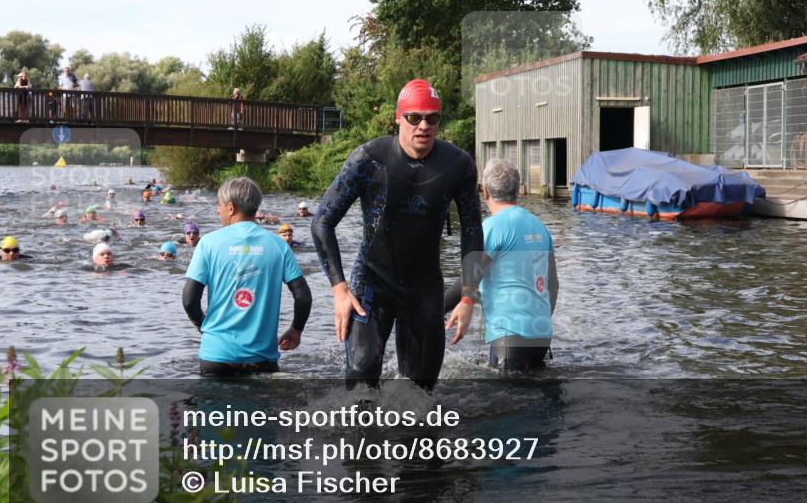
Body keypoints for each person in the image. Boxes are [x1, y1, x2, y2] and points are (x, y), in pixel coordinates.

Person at [312, 78, 485, 391]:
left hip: (424, 288)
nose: (423, 126)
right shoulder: (369, 159)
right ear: (398, 118)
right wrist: (339, 290)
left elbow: (473, 231)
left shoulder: (458, 165)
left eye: (432, 118)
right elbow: (322, 222)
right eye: (414, 117)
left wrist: (468, 297)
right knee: (361, 381)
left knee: (421, 393)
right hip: (373, 283)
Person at [183, 177, 312, 376]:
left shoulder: (208, 243)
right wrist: (296, 330)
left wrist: (203, 326)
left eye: (219, 206)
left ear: (231, 208)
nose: (218, 211)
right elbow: (303, 296)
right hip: (262, 358)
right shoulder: (278, 245)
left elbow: (189, 300)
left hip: (217, 357)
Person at [445, 158, 558, 371]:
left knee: (504, 401)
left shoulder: (491, 228)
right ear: (518, 189)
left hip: (509, 337)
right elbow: (553, 286)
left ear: (485, 191)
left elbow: (468, 280)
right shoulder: (540, 227)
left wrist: (433, 311)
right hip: (542, 336)